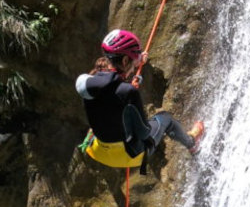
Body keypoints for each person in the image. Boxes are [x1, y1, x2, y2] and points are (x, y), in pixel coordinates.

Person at [75, 29, 204, 172]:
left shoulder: (85, 83)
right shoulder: (128, 92)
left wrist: (132, 68)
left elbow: (109, 91)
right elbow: (144, 133)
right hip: (130, 155)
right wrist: (130, 94)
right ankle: (192, 143)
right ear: (125, 60)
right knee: (165, 118)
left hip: (99, 151)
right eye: (132, 60)